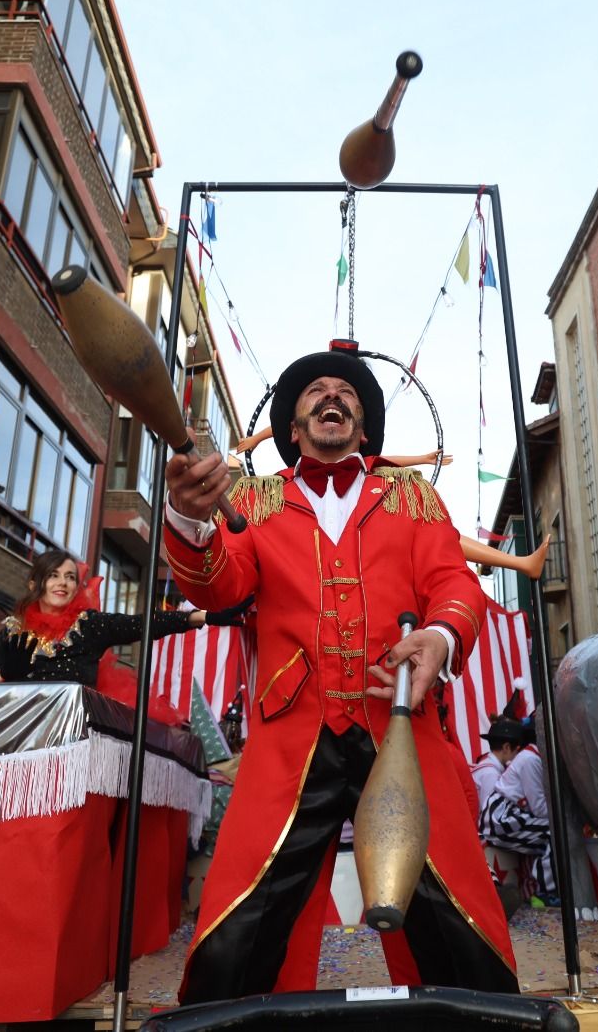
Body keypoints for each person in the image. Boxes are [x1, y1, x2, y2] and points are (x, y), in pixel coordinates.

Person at [162, 346, 518, 1001]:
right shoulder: (256, 502)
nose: (333, 396)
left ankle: (478, 1017)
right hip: (292, 736)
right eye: (317, 391)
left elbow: (454, 583)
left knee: (454, 915)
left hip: (401, 728)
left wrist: (440, 636)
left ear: (364, 423)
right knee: (240, 923)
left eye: (347, 392)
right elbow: (219, 586)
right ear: (292, 427)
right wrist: (188, 518)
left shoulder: (412, 495)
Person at [0, 549, 244, 685]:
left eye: (70, 577)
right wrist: (2, 675)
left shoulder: (89, 626)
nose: (62, 583)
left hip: (73, 753)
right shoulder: (13, 633)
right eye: (53, 576)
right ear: (35, 584)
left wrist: (203, 616)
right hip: (18, 755)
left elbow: (141, 624)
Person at [481, 729, 557, 903]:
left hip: (507, 817)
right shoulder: (531, 760)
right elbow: (539, 808)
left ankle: (538, 889)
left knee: (552, 831)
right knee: (555, 831)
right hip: (500, 819)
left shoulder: (533, 758)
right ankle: (544, 893)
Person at [472, 716, 525, 824]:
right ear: (506, 747)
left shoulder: (490, 768)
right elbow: (488, 816)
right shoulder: (490, 773)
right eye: (517, 750)